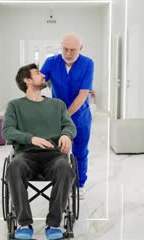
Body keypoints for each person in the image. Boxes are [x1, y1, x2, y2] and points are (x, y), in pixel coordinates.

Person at [2, 63, 77, 240]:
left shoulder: (57, 105)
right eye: (37, 73)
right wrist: (31, 138)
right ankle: (24, 223)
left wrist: (66, 135)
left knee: (65, 169)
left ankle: (53, 224)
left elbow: (69, 125)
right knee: (13, 168)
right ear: (27, 80)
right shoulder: (14, 106)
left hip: (54, 155)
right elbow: (7, 131)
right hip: (26, 156)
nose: (43, 75)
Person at [40, 33, 94, 198]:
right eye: (65, 49)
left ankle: (79, 184)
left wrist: (66, 116)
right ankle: (60, 181)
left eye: (73, 50)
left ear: (81, 48)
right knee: (59, 151)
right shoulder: (51, 62)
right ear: (60, 46)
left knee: (80, 151)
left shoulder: (87, 63)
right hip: (56, 115)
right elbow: (39, 82)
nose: (68, 53)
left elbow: (83, 93)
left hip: (80, 116)